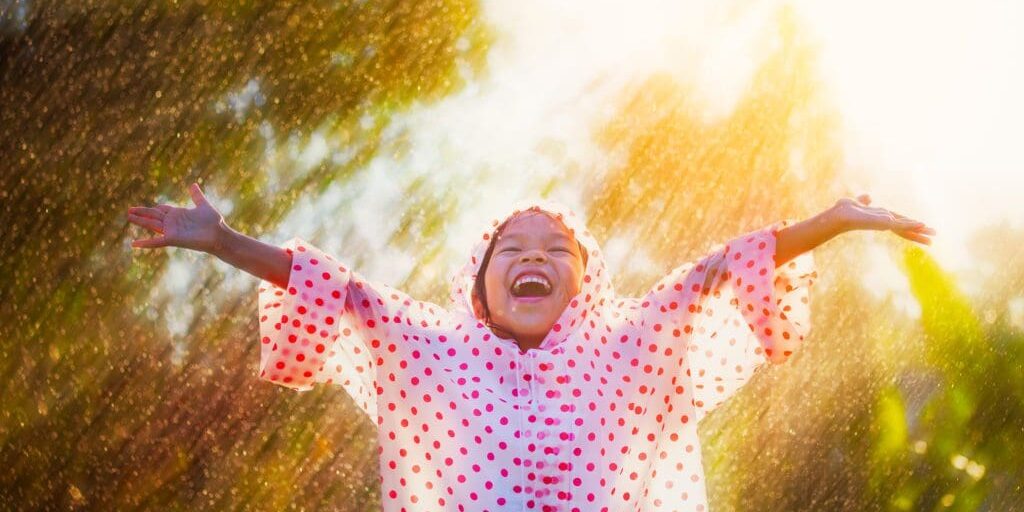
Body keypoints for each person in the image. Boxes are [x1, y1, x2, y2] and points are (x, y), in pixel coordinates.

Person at [126, 184, 934, 511]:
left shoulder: (630, 343)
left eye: (555, 251)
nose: (534, 259)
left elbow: (717, 273)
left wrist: (829, 221)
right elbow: (337, 294)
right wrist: (226, 241)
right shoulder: (430, 350)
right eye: (511, 250)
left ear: (585, 281)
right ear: (477, 283)